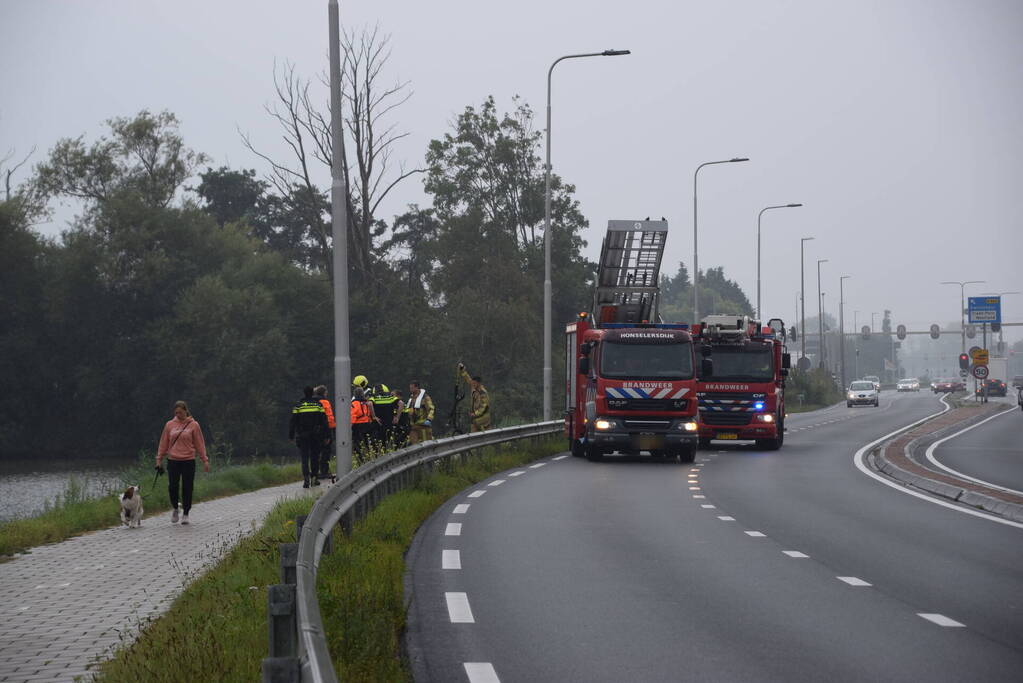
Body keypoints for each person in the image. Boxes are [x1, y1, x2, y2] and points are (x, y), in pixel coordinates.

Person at [156, 400, 209, 524]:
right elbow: (163, 443)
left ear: (185, 411)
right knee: (172, 487)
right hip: (173, 460)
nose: (178, 415)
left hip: (188, 460)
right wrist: (159, 459)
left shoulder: (194, 425)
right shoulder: (169, 425)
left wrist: (204, 460)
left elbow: (199, 443)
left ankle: (186, 513)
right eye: (176, 413)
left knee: (187, 487)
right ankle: (175, 508)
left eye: (180, 412)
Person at [289, 386, 328, 488]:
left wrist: (291, 435)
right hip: (316, 435)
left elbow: (293, 421)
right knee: (315, 457)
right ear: (312, 393)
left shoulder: (298, 406)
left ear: (304, 393)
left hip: (303, 436)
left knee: (305, 457)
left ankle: (306, 478)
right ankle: (314, 478)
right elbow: (324, 421)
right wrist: (326, 435)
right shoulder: (318, 405)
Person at [458, 362, 492, 432]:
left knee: (484, 432)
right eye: (472, 383)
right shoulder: (474, 387)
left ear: (479, 383)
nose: (472, 384)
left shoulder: (483, 392)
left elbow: (484, 406)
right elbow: (468, 379)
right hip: (475, 417)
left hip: (483, 417)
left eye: (474, 383)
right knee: (474, 429)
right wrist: (462, 371)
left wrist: (475, 414)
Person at [313, 385, 336, 479]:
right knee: (326, 451)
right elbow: (328, 418)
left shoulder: (313, 401)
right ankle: (324, 472)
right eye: (326, 392)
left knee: (316, 451)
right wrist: (331, 430)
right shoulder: (325, 402)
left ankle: (315, 472)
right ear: (324, 393)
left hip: (315, 430)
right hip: (326, 429)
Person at [350, 388, 378, 461]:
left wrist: (350, 427)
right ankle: (372, 458)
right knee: (368, 444)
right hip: (368, 424)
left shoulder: (353, 403)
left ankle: (361, 460)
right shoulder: (367, 402)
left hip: (358, 425)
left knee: (357, 445)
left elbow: (353, 415)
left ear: (355, 394)